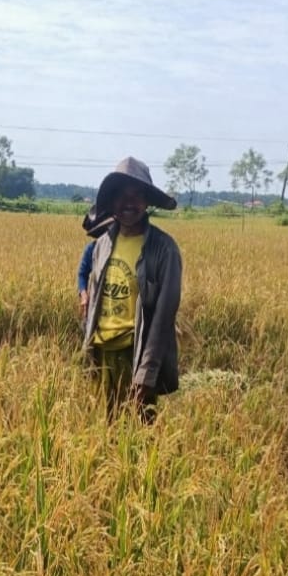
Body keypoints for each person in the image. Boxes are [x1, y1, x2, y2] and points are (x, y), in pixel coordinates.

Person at [81, 157, 182, 422]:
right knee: (103, 433)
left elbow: (163, 318)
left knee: (138, 440)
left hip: (133, 354)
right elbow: (94, 305)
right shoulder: (101, 245)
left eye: (137, 195)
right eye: (121, 195)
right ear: (111, 202)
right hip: (101, 352)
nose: (129, 202)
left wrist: (145, 375)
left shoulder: (164, 249)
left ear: (147, 201)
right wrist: (88, 352)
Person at [76, 207, 114, 320]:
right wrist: (84, 295)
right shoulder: (92, 249)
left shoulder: (126, 248)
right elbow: (82, 274)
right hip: (96, 301)